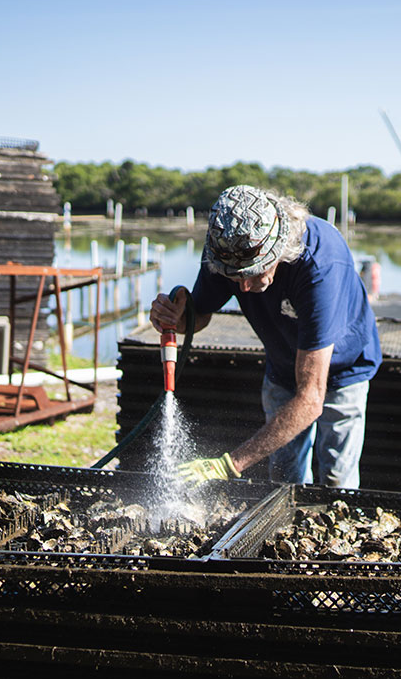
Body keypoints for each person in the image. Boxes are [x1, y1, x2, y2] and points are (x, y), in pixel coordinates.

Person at [149, 184, 381, 488]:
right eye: (235, 277)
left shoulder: (319, 265)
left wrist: (230, 464)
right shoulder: (226, 249)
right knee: (284, 477)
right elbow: (199, 316)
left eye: (253, 272)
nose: (243, 288)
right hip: (283, 364)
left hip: (344, 368)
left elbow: (311, 399)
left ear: (280, 250)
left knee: (336, 479)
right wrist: (174, 319)